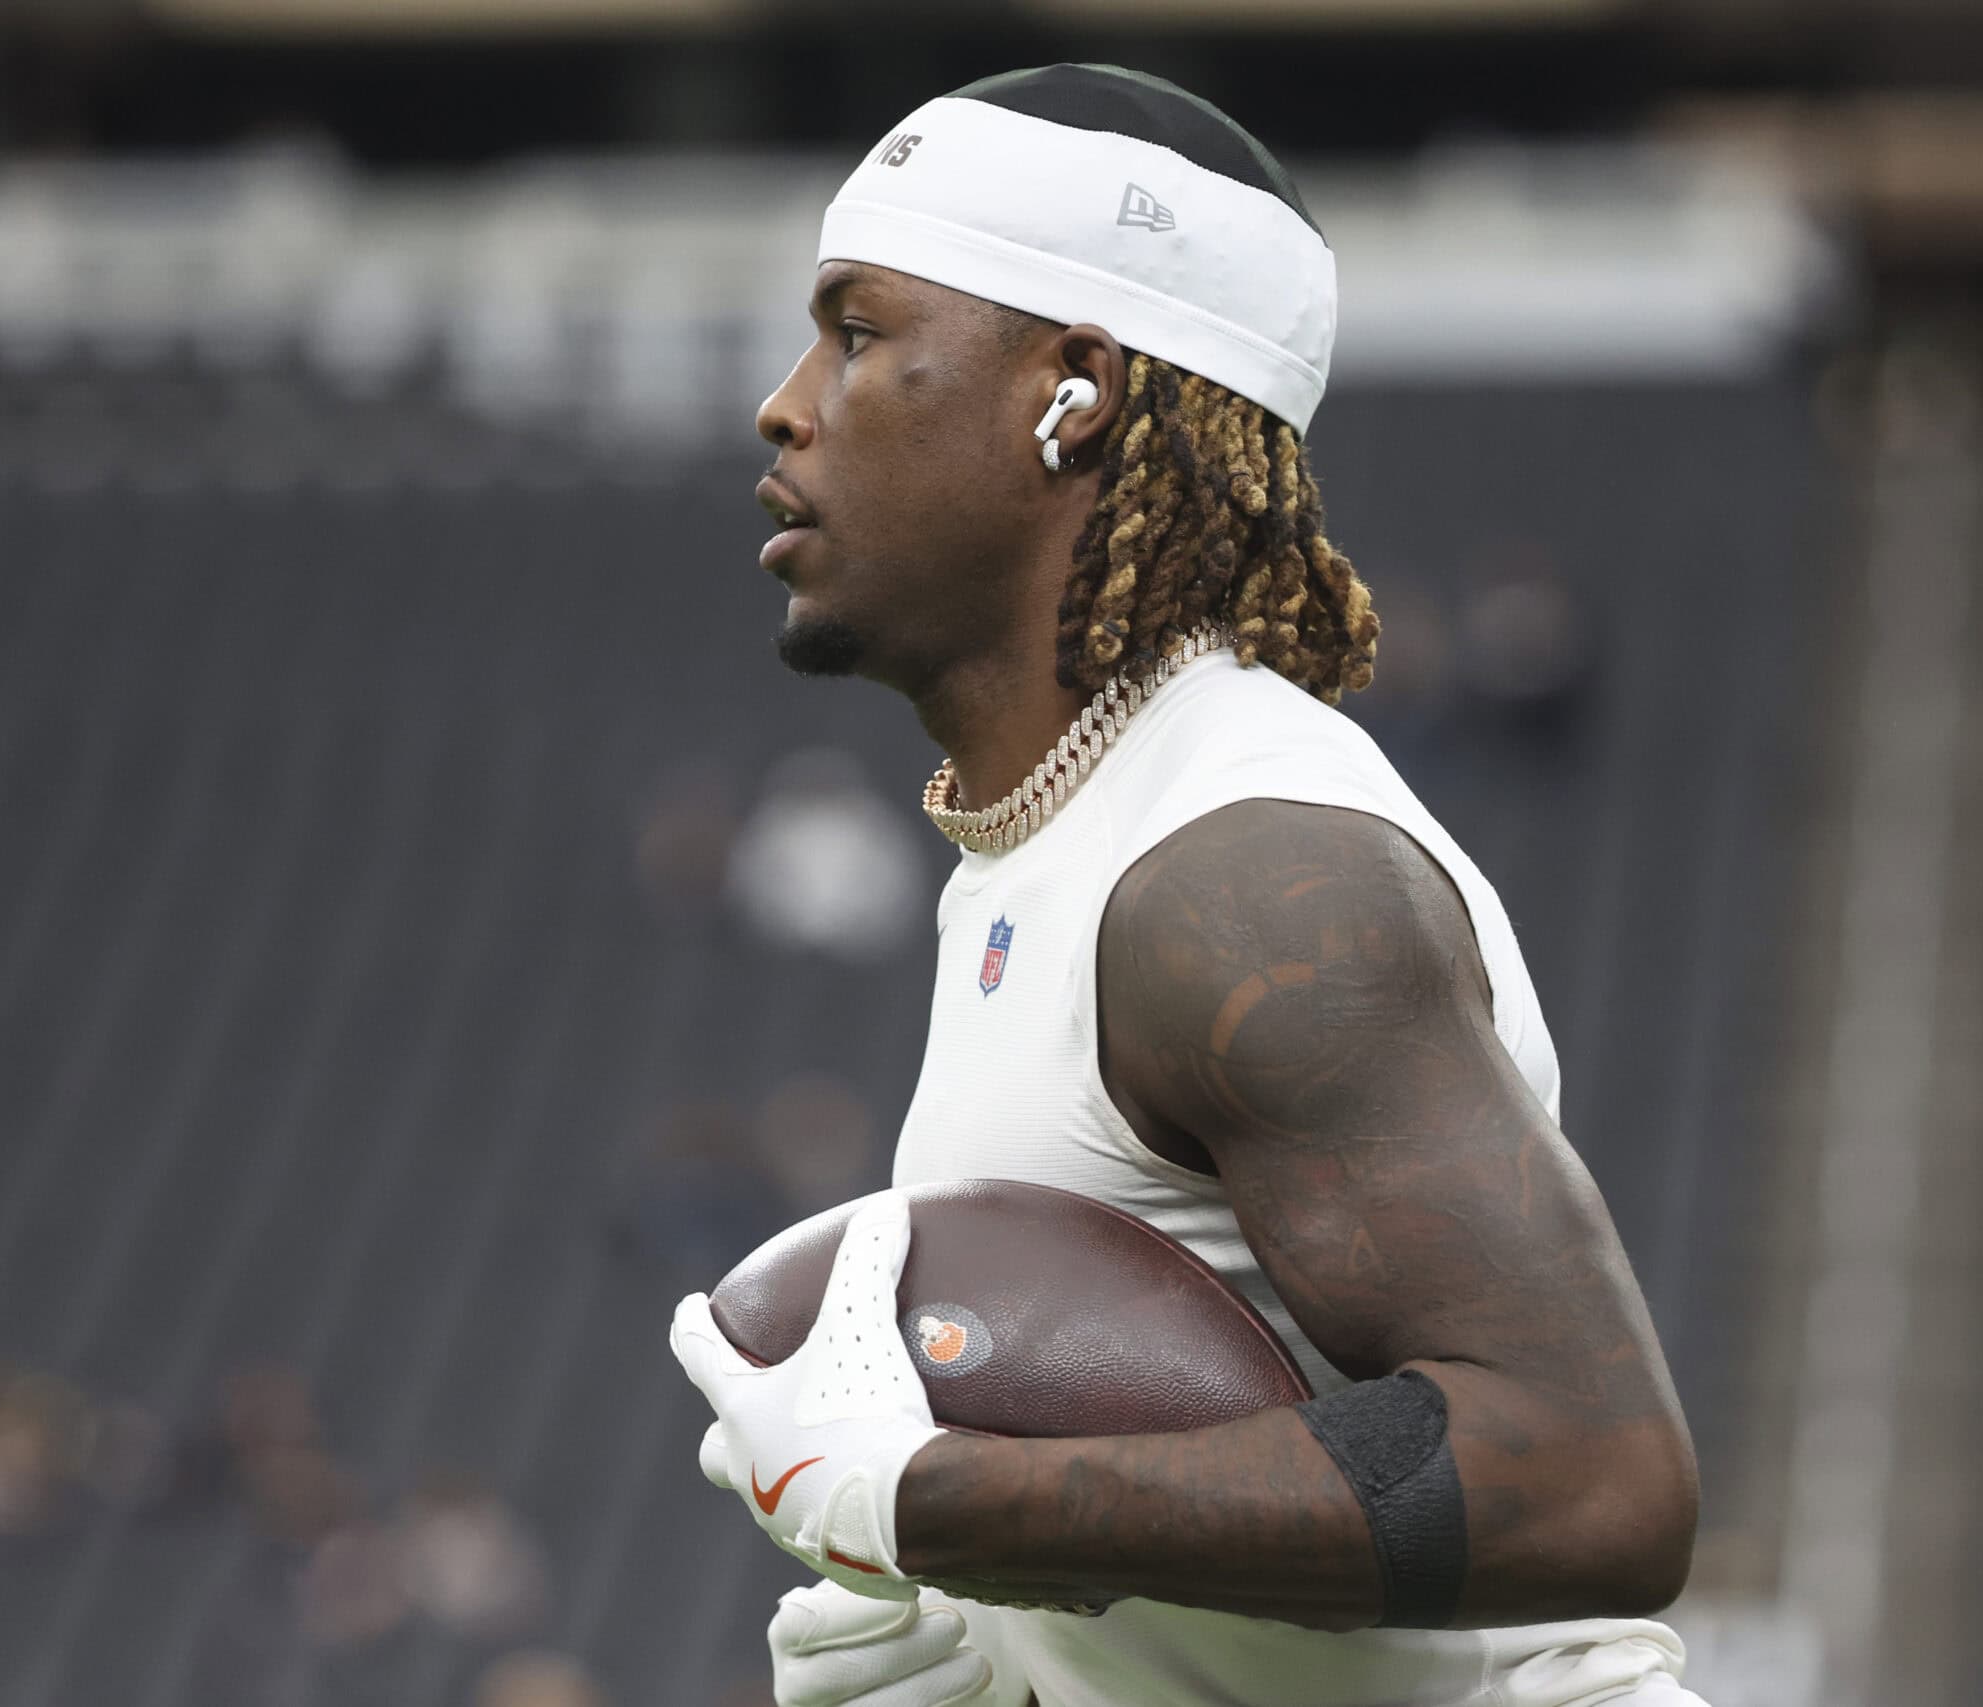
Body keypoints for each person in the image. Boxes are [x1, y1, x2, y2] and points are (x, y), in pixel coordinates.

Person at [668, 63, 1706, 1707]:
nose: (784, 403)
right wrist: (1014, 1658)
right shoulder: (1052, 842)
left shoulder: (1243, 871)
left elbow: (1591, 1477)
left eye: (858, 331)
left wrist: (957, 1507)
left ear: (1069, 392)